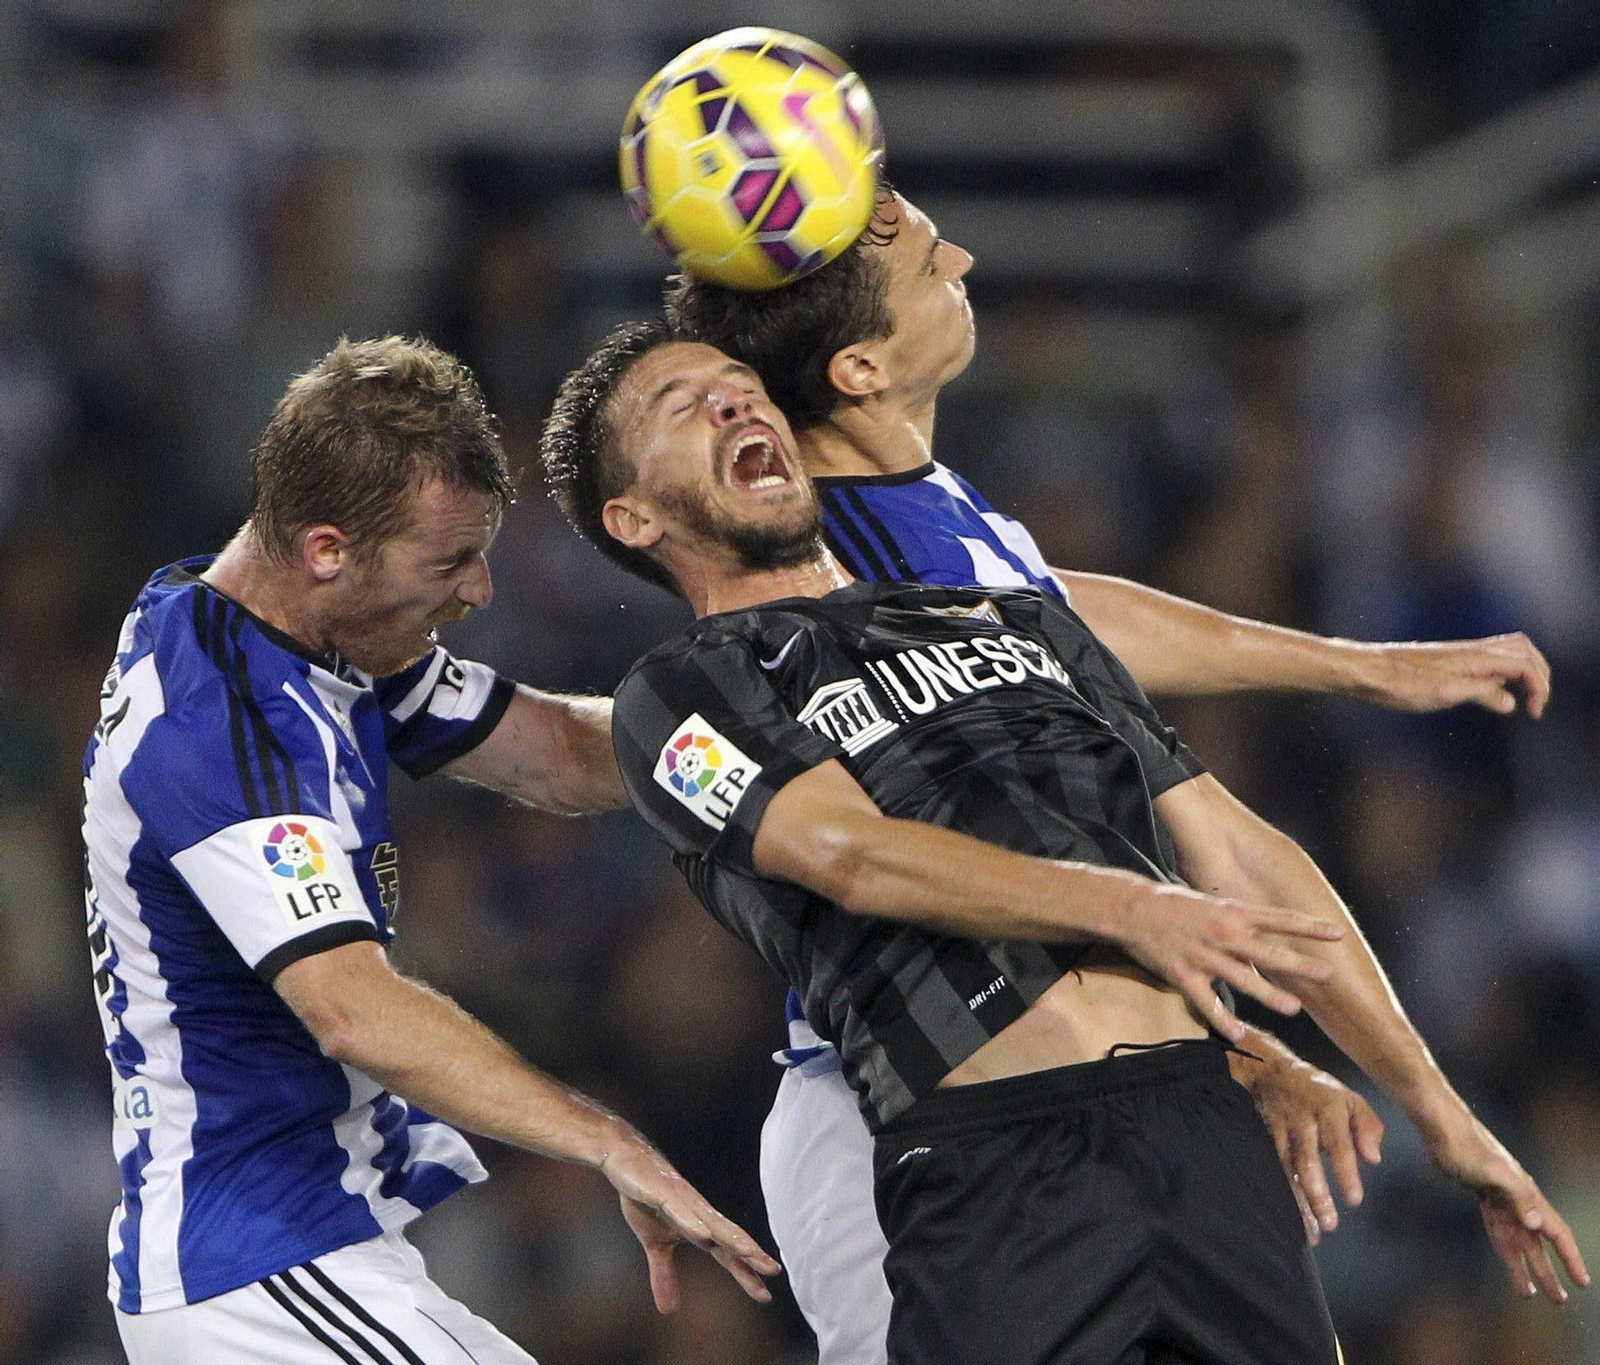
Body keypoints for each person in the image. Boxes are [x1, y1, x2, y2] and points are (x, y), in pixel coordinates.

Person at [539, 324, 1588, 1365]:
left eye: (739, 384)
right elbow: (848, 853)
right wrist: (1133, 907)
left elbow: (1241, 852)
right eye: (683, 405)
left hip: (1203, 1134)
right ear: (633, 516)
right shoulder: (677, 698)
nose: (734, 402)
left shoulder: (1014, 620)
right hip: (996, 1166)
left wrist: (1444, 1119)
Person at [83, 335, 778, 1365]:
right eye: (449, 561)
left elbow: (561, 753)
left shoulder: (313, 632)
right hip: (255, 1270)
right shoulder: (219, 726)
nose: (480, 591)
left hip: (314, 1249)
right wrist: (605, 1140)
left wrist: (765, 762)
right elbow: (353, 1010)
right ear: (328, 549)